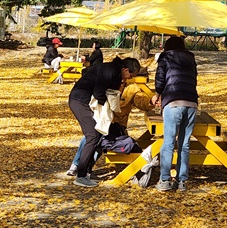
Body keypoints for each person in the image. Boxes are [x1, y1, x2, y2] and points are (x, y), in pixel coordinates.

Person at [68, 56, 141, 188]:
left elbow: (111, 94)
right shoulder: (110, 70)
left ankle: (86, 171)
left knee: (99, 134)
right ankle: (81, 174)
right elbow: (99, 93)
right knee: (92, 136)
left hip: (84, 101)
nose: (130, 78)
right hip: (79, 100)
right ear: (125, 69)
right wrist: (106, 107)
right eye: (130, 74)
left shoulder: (115, 74)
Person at [66, 78, 154, 176]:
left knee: (98, 137)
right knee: (92, 135)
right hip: (102, 121)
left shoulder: (132, 89)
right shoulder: (106, 84)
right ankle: (78, 165)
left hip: (118, 126)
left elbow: (141, 101)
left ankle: (84, 167)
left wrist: (151, 102)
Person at [151, 36, 198, 192]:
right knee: (184, 144)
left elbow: (160, 79)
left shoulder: (165, 57)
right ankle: (182, 181)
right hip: (191, 101)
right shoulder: (191, 58)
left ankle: (165, 180)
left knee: (169, 142)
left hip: (173, 101)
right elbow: (194, 80)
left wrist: (157, 95)